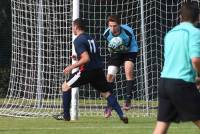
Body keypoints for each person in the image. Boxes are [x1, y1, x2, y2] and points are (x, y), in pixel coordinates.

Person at [53, 18, 128, 124]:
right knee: (106, 93)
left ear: (77, 27)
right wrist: (78, 58)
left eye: (73, 27)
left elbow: (86, 59)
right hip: (98, 70)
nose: (72, 29)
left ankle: (65, 116)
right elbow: (92, 56)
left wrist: (71, 66)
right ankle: (121, 114)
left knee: (65, 87)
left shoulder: (78, 40)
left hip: (87, 71)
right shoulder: (90, 38)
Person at [153, 1, 200, 134]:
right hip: (181, 84)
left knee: (161, 128)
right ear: (198, 17)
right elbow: (196, 59)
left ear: (180, 17)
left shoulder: (170, 33)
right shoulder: (195, 33)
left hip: (164, 83)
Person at [103, 15, 138, 117]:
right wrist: (112, 48)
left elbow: (127, 48)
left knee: (128, 71)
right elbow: (112, 47)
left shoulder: (127, 33)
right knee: (109, 76)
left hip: (130, 50)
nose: (112, 28)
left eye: (115, 26)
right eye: (110, 26)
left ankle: (127, 100)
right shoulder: (106, 34)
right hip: (117, 51)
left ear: (119, 25)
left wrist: (120, 46)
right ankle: (110, 105)